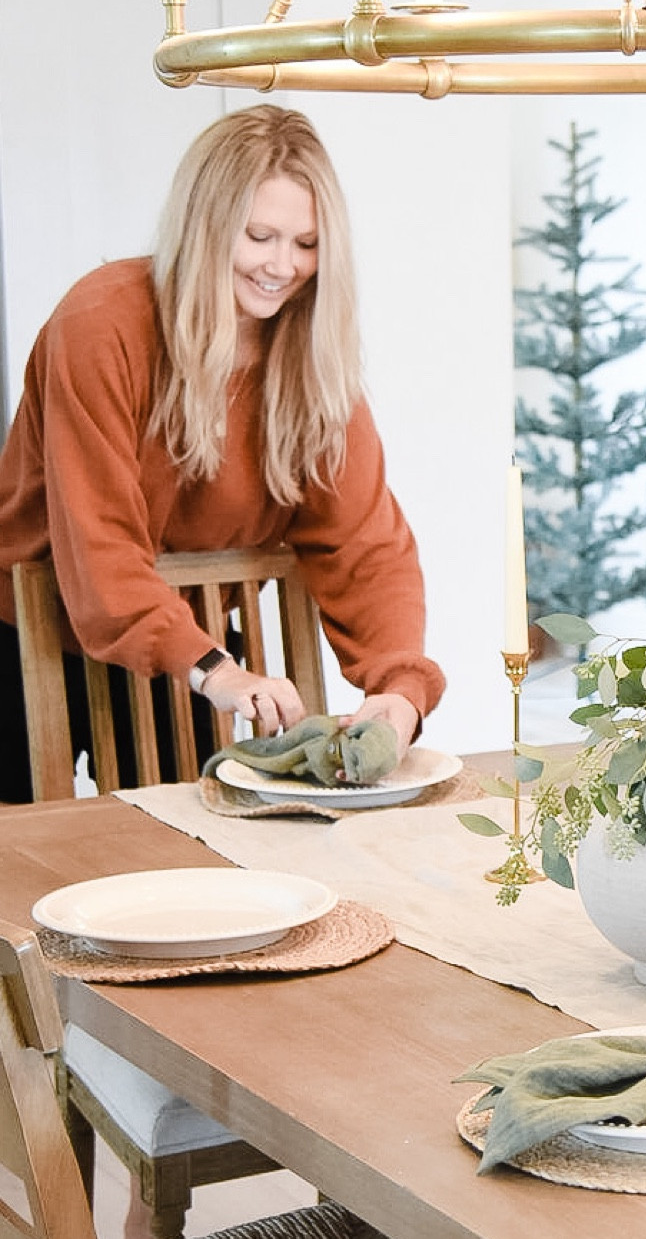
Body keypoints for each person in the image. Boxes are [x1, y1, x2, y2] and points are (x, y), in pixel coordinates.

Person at [0, 104, 443, 802]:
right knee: (29, 873)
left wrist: (400, 687)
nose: (282, 265)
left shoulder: (310, 360)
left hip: (190, 651)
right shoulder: (99, 325)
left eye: (306, 242)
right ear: (204, 226)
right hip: (25, 642)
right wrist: (219, 669)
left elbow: (365, 547)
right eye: (259, 235)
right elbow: (100, 547)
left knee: (201, 859)